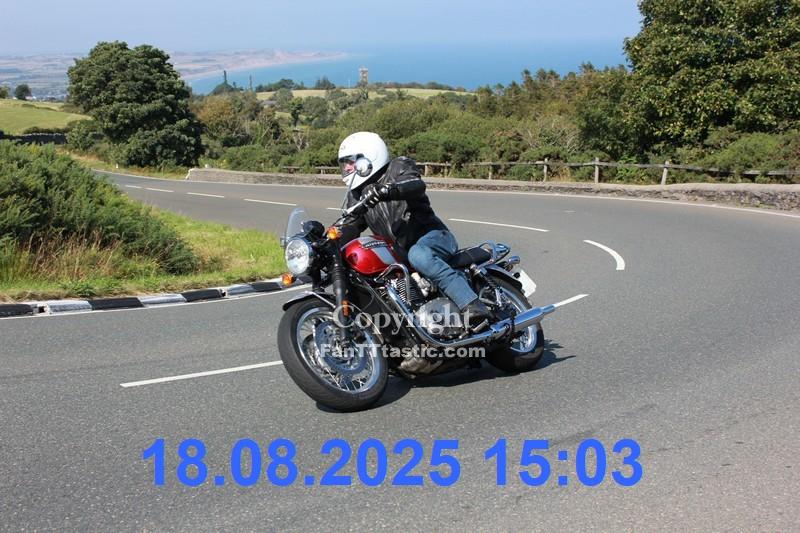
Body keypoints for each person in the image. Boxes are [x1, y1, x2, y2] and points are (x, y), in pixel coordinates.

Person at [336, 131, 490, 329]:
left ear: (368, 157)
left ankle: (471, 303)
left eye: (350, 162)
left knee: (419, 255)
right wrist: (325, 241)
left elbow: (415, 184)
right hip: (400, 252)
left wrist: (388, 190)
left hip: (433, 236)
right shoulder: (356, 194)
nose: (347, 168)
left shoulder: (398, 166)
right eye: (344, 163)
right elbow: (350, 224)